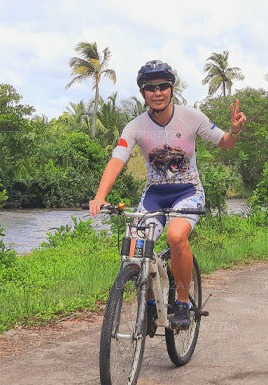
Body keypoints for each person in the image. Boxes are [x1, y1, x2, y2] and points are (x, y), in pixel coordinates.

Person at [88, 60, 246, 329]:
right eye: (150, 87)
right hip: (154, 195)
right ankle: (150, 305)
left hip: (188, 192)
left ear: (172, 89)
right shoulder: (135, 126)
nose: (157, 92)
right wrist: (100, 196)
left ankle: (182, 303)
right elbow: (118, 159)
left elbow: (225, 142)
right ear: (142, 93)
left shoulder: (191, 117)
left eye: (163, 86)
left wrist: (235, 130)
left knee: (175, 236)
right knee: (137, 251)